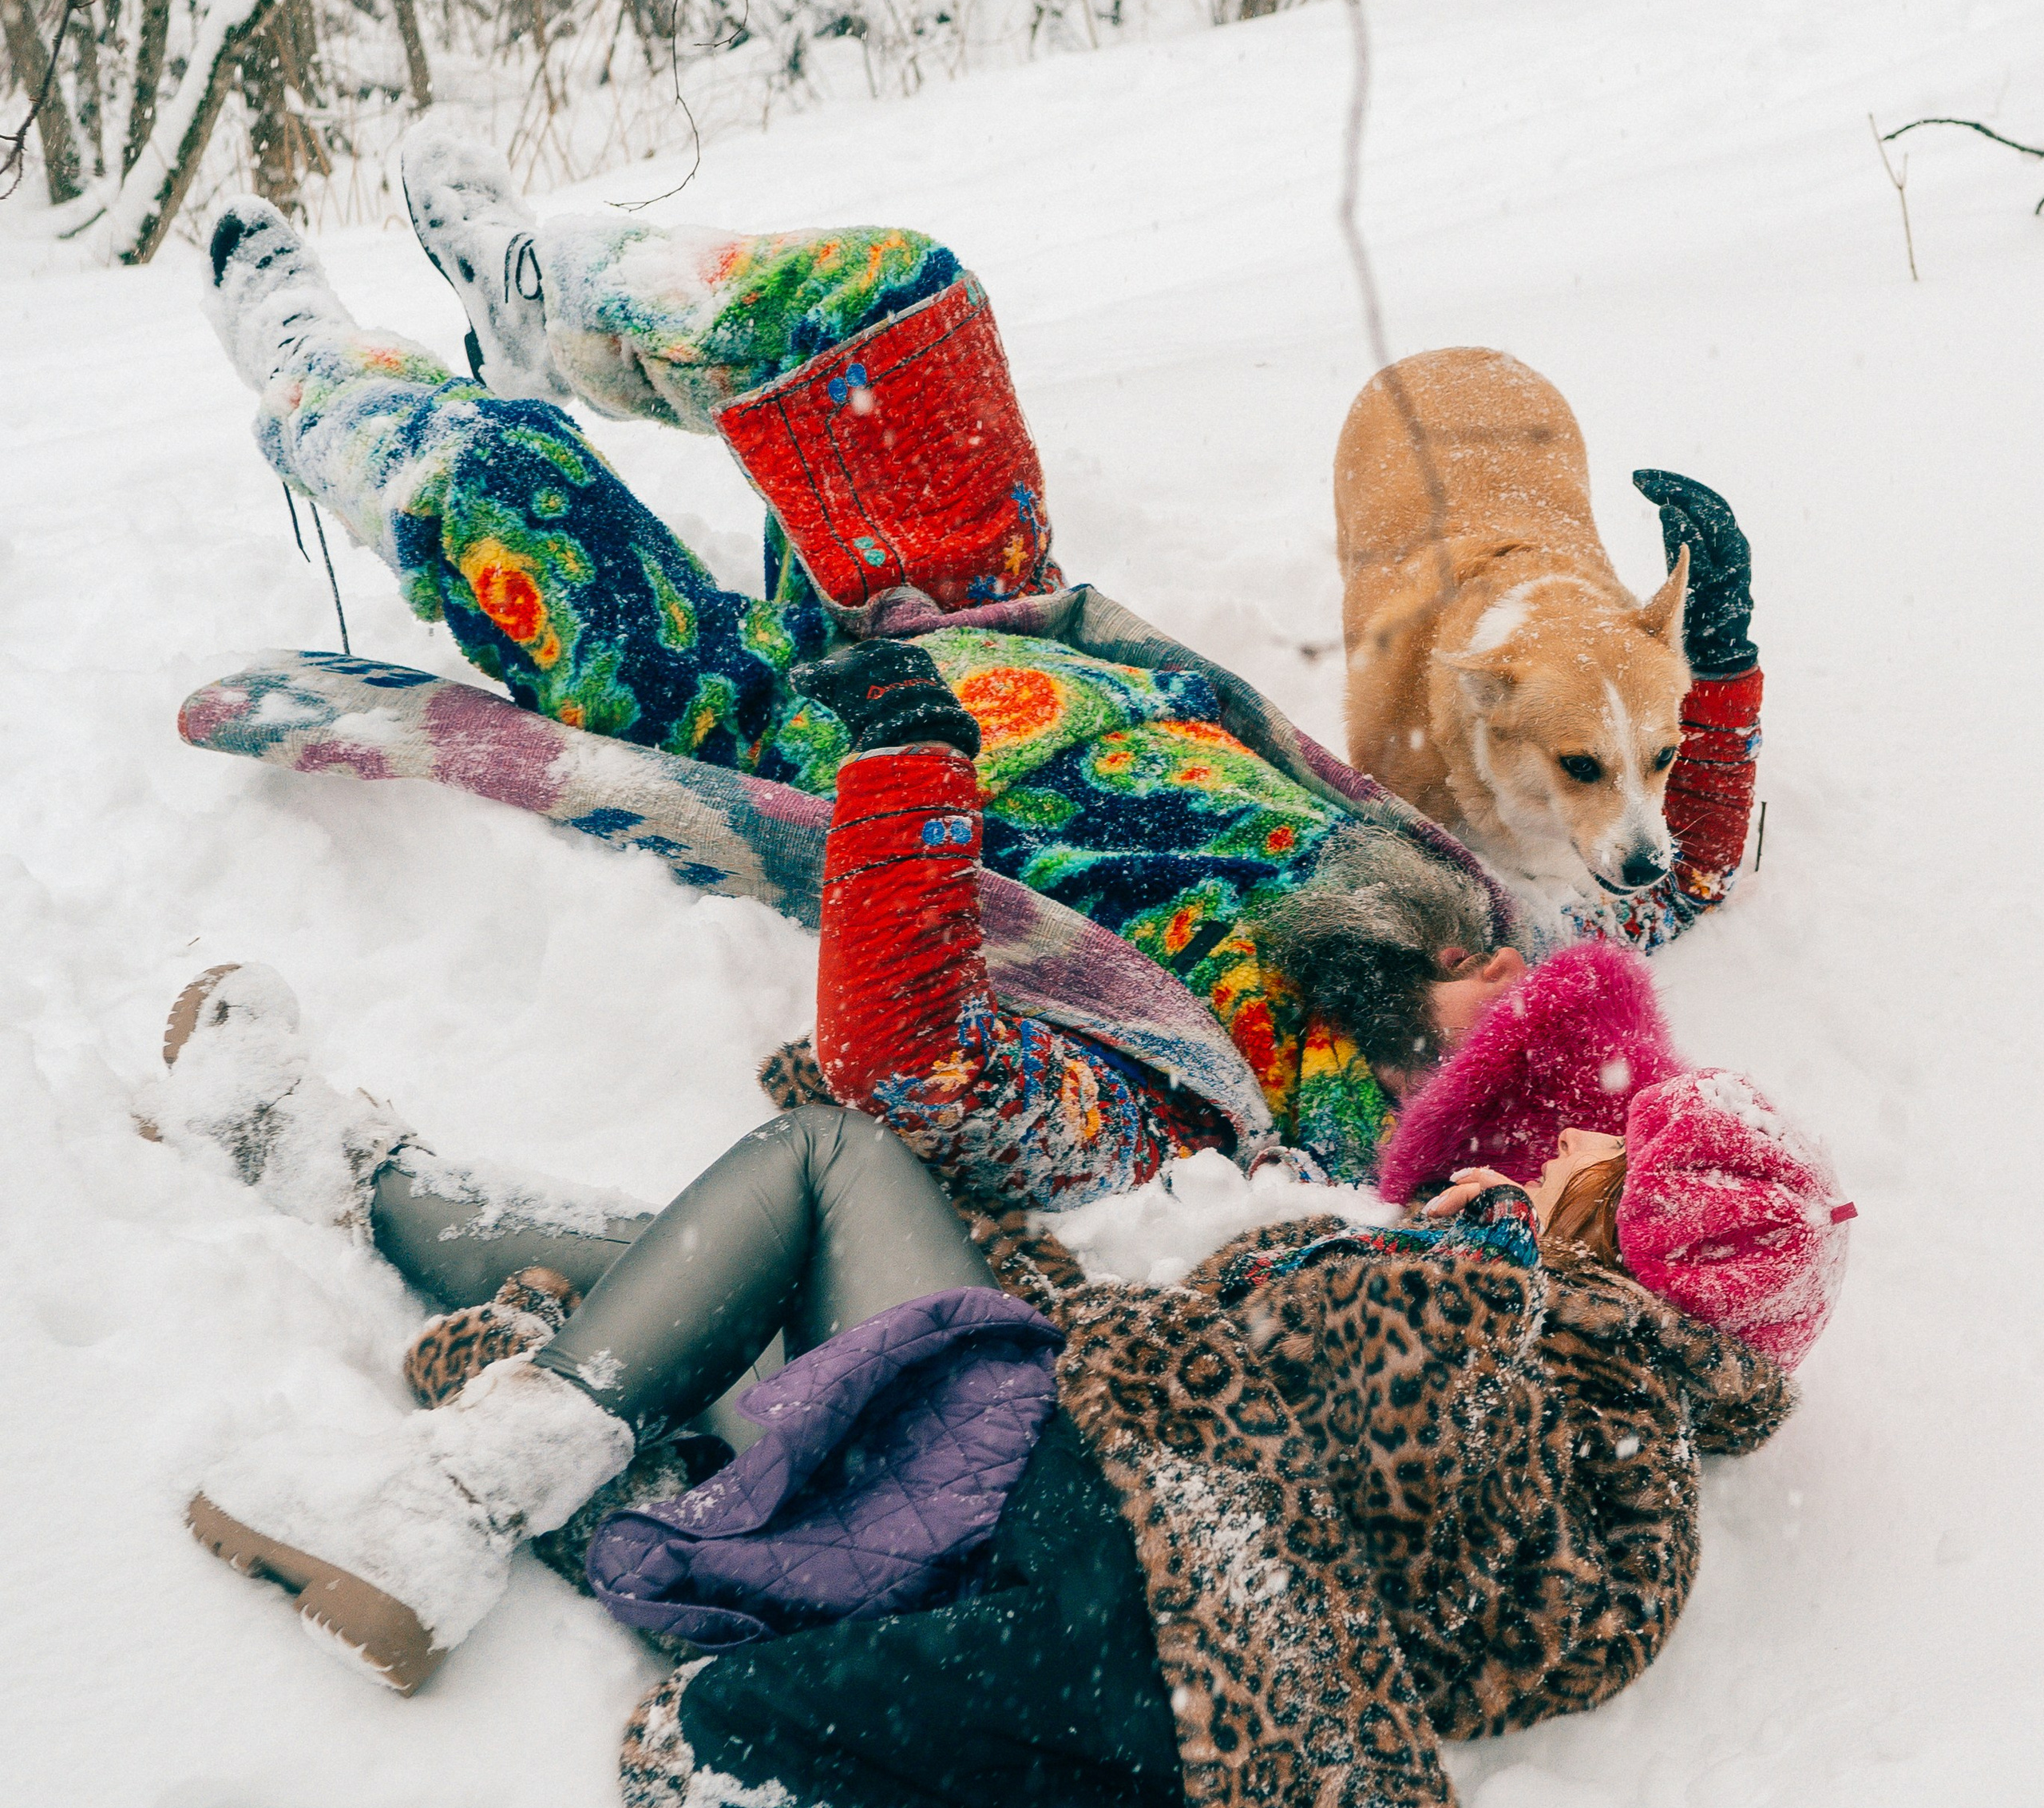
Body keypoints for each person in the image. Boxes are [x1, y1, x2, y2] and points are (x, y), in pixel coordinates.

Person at [141, 947, 1836, 1808]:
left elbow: (1264, 1369)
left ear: (1627, 1237)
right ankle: (345, 1164)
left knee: (825, 1168)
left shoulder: (1525, 1350)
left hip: (1058, 1499)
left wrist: (1447, 1250)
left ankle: (447, 1501)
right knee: (705, 1263)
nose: (1552, 1160)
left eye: (1592, 1171)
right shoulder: (1624, 1483)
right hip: (1060, 1514)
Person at [196, 121, 1765, 1205]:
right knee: (896, 305)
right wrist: (1718, 670)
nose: (1521, 954)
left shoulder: (1199, 1120)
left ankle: (312, 368)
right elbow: (1665, 881)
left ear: (1440, 1101)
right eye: (1546, 975)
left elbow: (915, 1060)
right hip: (977, 623)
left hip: (767, 738)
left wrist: (899, 773)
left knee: (499, 488)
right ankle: (543, 300)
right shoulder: (1448, 920)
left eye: (1514, 1013)